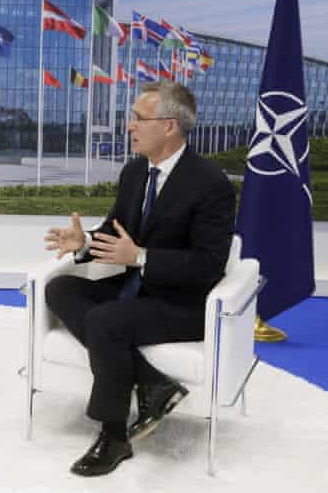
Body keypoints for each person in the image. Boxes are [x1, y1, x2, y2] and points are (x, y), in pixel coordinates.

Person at [43, 82, 235, 477]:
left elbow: (208, 265)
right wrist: (85, 242)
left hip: (182, 303)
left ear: (169, 126)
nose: (129, 126)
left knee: (104, 321)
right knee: (59, 288)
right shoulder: (134, 172)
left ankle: (114, 435)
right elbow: (117, 232)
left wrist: (142, 257)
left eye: (137, 118)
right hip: (135, 291)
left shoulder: (211, 184)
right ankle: (153, 384)